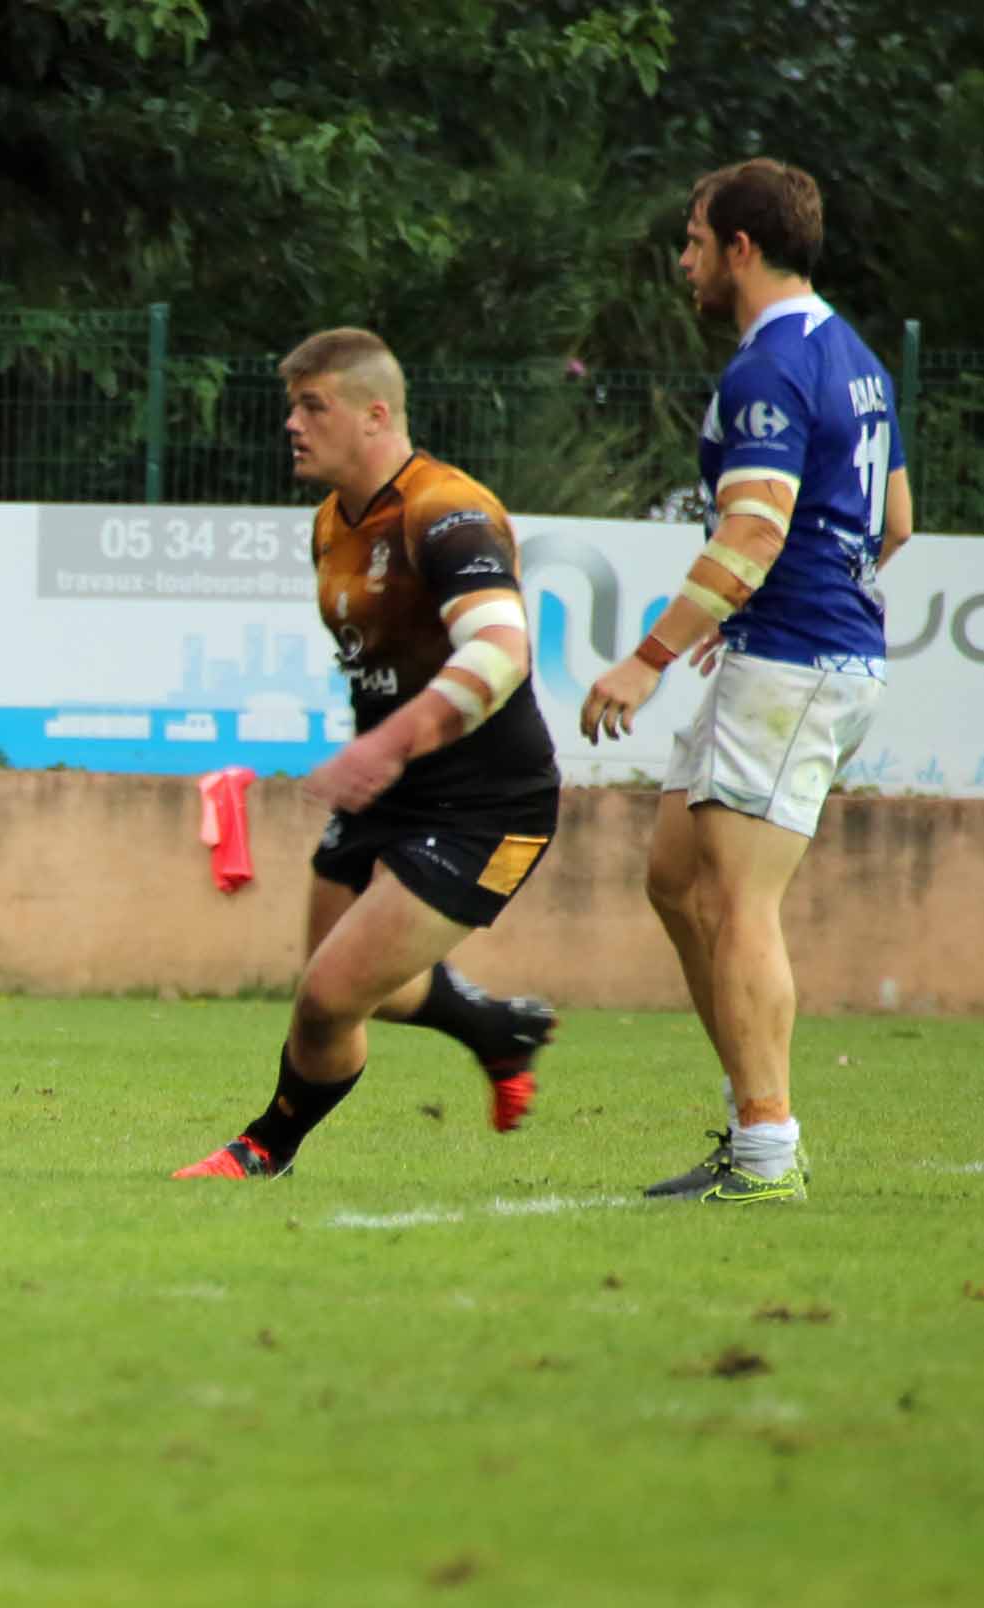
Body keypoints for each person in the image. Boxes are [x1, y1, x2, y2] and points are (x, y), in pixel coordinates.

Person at [582, 158, 911, 1206]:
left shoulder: (768, 366)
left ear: (739, 247)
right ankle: (749, 1115)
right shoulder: (854, 356)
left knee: (736, 899)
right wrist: (762, 603)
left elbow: (754, 530)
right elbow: (896, 521)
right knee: (674, 878)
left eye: (692, 241)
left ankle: (765, 1148)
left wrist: (647, 657)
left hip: (795, 661)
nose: (683, 262)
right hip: (796, 646)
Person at [173, 328, 561, 1181]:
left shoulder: (446, 511)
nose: (292, 424)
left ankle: (263, 1147)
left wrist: (384, 741)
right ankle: (495, 1028)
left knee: (326, 995)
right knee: (336, 992)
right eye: (291, 406)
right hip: (391, 788)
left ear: (375, 416)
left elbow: (500, 651)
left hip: (487, 803)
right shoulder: (328, 523)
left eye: (312, 406)